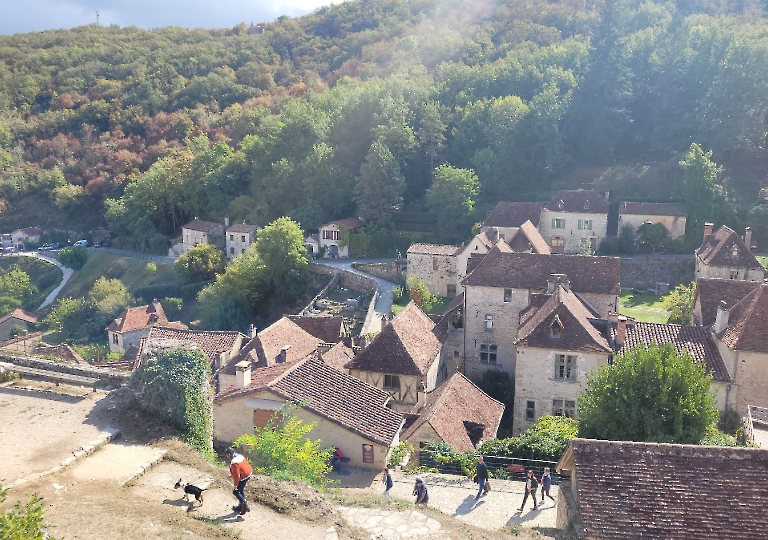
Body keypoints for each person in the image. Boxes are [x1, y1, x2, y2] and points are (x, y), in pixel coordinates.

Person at [224, 447, 252, 515]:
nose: (227, 457)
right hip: (248, 473)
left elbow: (237, 476)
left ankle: (244, 506)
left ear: (229, 454)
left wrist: (235, 485)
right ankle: (240, 506)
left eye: (227, 455)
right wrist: (231, 475)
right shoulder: (239, 456)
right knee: (241, 489)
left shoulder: (234, 462)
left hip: (244, 476)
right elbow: (240, 468)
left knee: (236, 492)